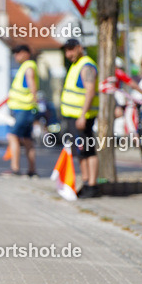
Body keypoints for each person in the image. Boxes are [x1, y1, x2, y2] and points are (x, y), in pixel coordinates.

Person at [59, 38, 100, 197]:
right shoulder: (76, 65)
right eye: (66, 51)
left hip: (82, 118)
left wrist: (83, 116)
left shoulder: (86, 66)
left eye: (71, 50)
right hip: (73, 118)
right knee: (80, 151)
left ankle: (92, 185)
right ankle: (86, 181)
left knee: (88, 150)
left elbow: (90, 91)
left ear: (79, 48)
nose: (68, 54)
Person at [3, 44, 38, 177]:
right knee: (27, 140)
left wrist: (34, 103)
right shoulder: (26, 67)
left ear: (26, 53)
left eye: (18, 53)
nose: (16, 56)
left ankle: (15, 168)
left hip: (25, 109)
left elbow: (32, 85)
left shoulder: (28, 67)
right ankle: (32, 170)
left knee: (13, 137)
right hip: (26, 108)